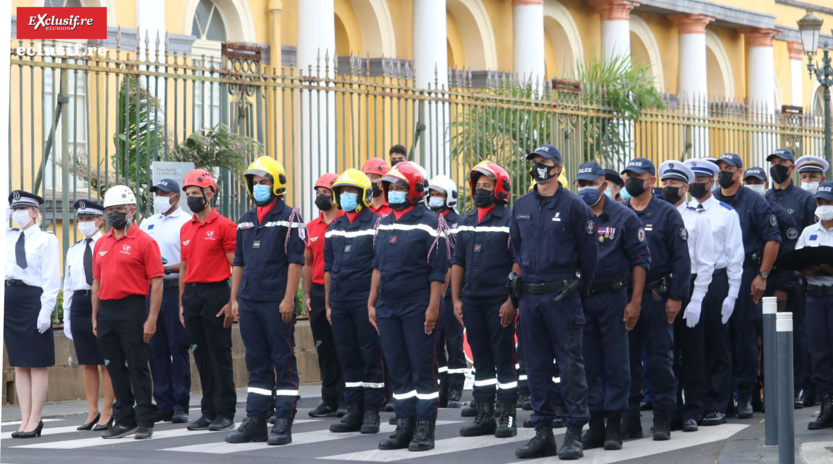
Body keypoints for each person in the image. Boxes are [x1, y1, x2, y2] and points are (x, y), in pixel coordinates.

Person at [510, 144, 597, 460]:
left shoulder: (575, 207)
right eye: (535, 162)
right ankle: (543, 432)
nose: (538, 167)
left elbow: (589, 256)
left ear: (558, 168)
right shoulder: (521, 205)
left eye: (544, 163)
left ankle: (574, 432)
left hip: (562, 296)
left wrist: (579, 290)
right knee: (535, 366)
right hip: (530, 298)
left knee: (571, 365)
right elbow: (516, 250)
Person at [226, 156, 306, 446]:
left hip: (276, 302)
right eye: (255, 182)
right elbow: (238, 262)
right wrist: (234, 299)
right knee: (256, 362)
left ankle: (283, 421)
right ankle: (256, 420)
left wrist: (288, 299)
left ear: (277, 184)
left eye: (264, 182)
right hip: (248, 301)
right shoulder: (246, 220)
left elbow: (295, 261)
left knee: (282, 360)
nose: (259, 187)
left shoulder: (291, 217)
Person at [370, 161, 448, 452]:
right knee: (398, 368)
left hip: (418, 305)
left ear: (415, 189)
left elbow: (438, 271)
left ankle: (425, 429)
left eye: (400, 186)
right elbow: (377, 265)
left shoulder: (431, 222)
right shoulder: (384, 221)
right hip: (388, 305)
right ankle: (404, 426)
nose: (393, 191)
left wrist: (432, 307)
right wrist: (372, 301)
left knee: (422, 368)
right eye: (390, 186)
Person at [573, 162, 650, 451]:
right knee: (588, 362)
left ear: (604, 184)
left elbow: (640, 261)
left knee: (616, 363)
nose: (584, 189)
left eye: (590, 183)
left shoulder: (624, 217)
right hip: (582, 299)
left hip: (614, 298)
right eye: (580, 183)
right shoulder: (575, 214)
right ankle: (594, 425)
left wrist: (635, 301)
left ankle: (615, 426)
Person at [620, 158, 691, 441]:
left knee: (660, 360)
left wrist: (676, 297)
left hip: (658, 297)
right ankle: (630, 418)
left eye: (637, 176)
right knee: (627, 360)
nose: (630, 180)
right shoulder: (619, 212)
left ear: (651, 181)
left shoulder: (667, 214)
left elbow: (681, 261)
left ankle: (662, 417)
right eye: (628, 176)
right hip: (624, 296)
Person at [451, 161, 519, 438]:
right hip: (472, 301)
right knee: (481, 361)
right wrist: (456, 299)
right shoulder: (466, 223)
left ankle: (507, 417)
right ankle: (485, 415)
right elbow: (458, 263)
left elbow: (518, 263)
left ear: (500, 189)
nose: (480, 190)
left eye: (487, 186)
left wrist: (511, 302)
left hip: (498, 302)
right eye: (478, 185)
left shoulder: (510, 220)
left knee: (504, 358)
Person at [713, 153, 781, 419]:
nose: (723, 173)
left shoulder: (754, 202)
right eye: (720, 169)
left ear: (739, 172)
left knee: (745, 338)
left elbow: (772, 240)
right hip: (717, 277)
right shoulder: (711, 202)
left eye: (728, 168)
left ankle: (745, 395)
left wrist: (762, 276)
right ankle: (722, 397)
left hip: (745, 273)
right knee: (719, 337)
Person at [92, 185, 163, 439]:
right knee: (113, 367)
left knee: (137, 366)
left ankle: (145, 418)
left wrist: (151, 318)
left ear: (131, 210)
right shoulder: (101, 243)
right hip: (107, 311)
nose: (114, 214)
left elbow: (157, 281)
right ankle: (123, 418)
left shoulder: (145, 242)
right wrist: (95, 316)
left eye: (118, 209)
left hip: (133, 308)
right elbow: (97, 283)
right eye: (109, 210)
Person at [325, 169, 385, 434]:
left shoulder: (377, 225)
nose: (345, 196)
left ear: (364, 195)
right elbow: (327, 268)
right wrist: (328, 304)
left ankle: (372, 411)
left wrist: (374, 302)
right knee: (347, 356)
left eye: (351, 191)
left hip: (364, 300)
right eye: (341, 192)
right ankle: (354, 410)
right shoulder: (333, 228)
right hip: (339, 301)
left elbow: (379, 266)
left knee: (369, 353)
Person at [684, 159, 744, 427]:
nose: (696, 183)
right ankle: (696, 403)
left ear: (712, 182)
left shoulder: (725, 213)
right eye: (692, 179)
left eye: (701, 179)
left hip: (717, 282)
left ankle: (718, 404)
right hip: (689, 281)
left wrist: (732, 293)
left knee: (718, 344)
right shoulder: (681, 212)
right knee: (693, 347)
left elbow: (735, 257)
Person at [658, 161, 715, 433]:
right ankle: (670, 410)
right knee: (664, 354)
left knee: (691, 354)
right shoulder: (655, 214)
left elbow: (705, 263)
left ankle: (693, 410)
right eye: (665, 182)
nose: (669, 187)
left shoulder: (697, 217)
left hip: (690, 286)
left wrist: (697, 300)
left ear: (685, 186)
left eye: (674, 183)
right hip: (660, 287)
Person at [179, 169, 238, 433]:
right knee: (200, 356)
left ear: (209, 193)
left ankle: (225, 412)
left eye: (195, 194)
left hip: (216, 294)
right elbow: (184, 266)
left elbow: (236, 266)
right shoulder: (185, 228)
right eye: (188, 194)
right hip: (192, 295)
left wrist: (232, 301)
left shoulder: (225, 226)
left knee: (219, 355)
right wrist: (182, 302)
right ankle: (208, 411)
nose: (191, 198)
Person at [743, 167, 800, 411]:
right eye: (749, 181)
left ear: (766, 184)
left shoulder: (778, 214)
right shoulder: (741, 208)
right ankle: (751, 391)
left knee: (771, 341)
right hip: (747, 283)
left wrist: (783, 288)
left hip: (773, 284)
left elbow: (788, 255)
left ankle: (772, 391)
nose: (752, 185)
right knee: (749, 340)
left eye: (757, 181)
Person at [5, 190, 60, 439]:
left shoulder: (47, 240)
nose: (17, 214)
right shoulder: (7, 237)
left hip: (33, 300)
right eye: (14, 209)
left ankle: (36, 419)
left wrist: (45, 311)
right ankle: (24, 418)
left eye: (22, 209)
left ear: (35, 212)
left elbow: (51, 278)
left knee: (36, 363)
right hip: (10, 302)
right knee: (19, 364)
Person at [140, 179, 192, 425]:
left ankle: (181, 404)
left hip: (174, 289)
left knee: (177, 347)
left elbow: (191, 261)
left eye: (164, 193)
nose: (159, 196)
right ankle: (163, 403)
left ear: (176, 196)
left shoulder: (187, 222)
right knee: (155, 349)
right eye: (157, 193)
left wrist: (166, 268)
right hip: (151, 292)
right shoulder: (147, 222)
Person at [63, 199, 115, 431]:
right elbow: (67, 285)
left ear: (100, 220)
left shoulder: (107, 244)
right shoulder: (73, 250)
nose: (84, 223)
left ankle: (108, 409)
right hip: (80, 305)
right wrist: (66, 317)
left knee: (107, 361)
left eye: (88, 218)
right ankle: (92, 411)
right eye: (81, 219)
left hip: (103, 301)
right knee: (87, 362)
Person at [303, 173, 346, 418]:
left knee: (343, 346)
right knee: (323, 348)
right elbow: (306, 264)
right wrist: (307, 295)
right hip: (318, 292)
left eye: (326, 192)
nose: (321, 196)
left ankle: (345, 399)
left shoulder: (344, 222)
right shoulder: (311, 227)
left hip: (340, 291)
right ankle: (328, 399)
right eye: (318, 192)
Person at [796, 181, 833, 429]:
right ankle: (826, 405)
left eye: (828, 202)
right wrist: (806, 269)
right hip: (815, 296)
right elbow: (797, 263)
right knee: (818, 352)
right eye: (820, 202)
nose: (823, 207)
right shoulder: (809, 231)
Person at [427, 174, 466, 409]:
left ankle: (456, 389)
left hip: (452, 294)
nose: (434, 198)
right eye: (431, 194)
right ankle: (441, 387)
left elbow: (457, 260)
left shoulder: (457, 223)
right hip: (434, 292)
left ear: (449, 197)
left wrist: (455, 294)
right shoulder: (430, 221)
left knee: (454, 341)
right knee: (435, 342)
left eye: (439, 194)